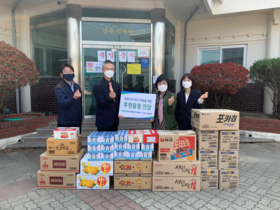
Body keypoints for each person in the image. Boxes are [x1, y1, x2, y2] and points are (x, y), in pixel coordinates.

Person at [94, 60, 123, 131]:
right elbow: (100, 103)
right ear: (102, 70)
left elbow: (119, 100)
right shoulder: (98, 85)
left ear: (114, 70)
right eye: (107, 69)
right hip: (103, 121)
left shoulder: (116, 84)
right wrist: (109, 98)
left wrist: (122, 111)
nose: (110, 71)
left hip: (115, 121)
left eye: (112, 69)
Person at [55, 64, 83, 134]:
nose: (69, 73)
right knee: (66, 144)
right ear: (61, 74)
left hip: (77, 122)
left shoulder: (77, 87)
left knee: (77, 143)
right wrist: (74, 98)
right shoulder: (59, 88)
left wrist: (80, 118)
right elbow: (63, 103)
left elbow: (79, 104)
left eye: (71, 71)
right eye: (66, 72)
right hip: (65, 123)